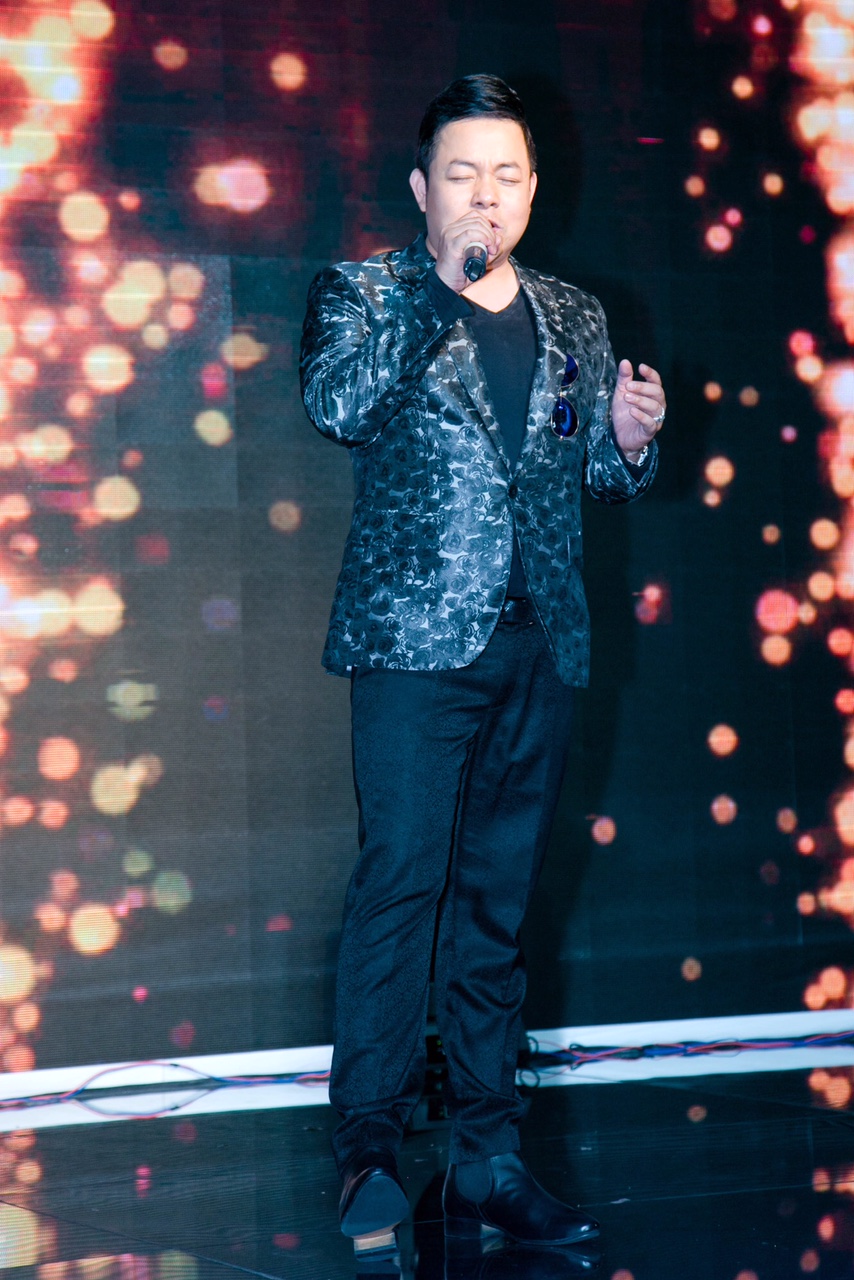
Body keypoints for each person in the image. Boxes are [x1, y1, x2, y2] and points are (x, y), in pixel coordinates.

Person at [300, 73, 666, 1255]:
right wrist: (439, 293)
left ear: (532, 188)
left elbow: (582, 470)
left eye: (505, 175)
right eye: (461, 174)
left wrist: (626, 444)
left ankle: (488, 1158)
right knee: (400, 884)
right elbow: (337, 405)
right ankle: (367, 1150)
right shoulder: (366, 291)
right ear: (421, 188)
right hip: (414, 643)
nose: (485, 194)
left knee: (496, 904)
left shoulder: (572, 314)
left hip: (537, 642)